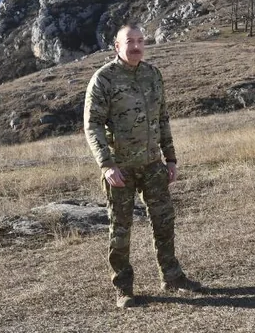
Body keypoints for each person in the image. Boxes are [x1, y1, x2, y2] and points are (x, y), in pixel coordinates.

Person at [84, 23, 201, 308]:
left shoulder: (152, 75)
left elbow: (163, 119)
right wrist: (106, 164)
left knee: (164, 222)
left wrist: (170, 159)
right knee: (120, 231)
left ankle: (172, 276)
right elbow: (92, 125)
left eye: (140, 41)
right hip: (120, 169)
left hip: (152, 165)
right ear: (117, 46)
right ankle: (123, 288)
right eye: (129, 41)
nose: (136, 46)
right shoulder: (104, 79)